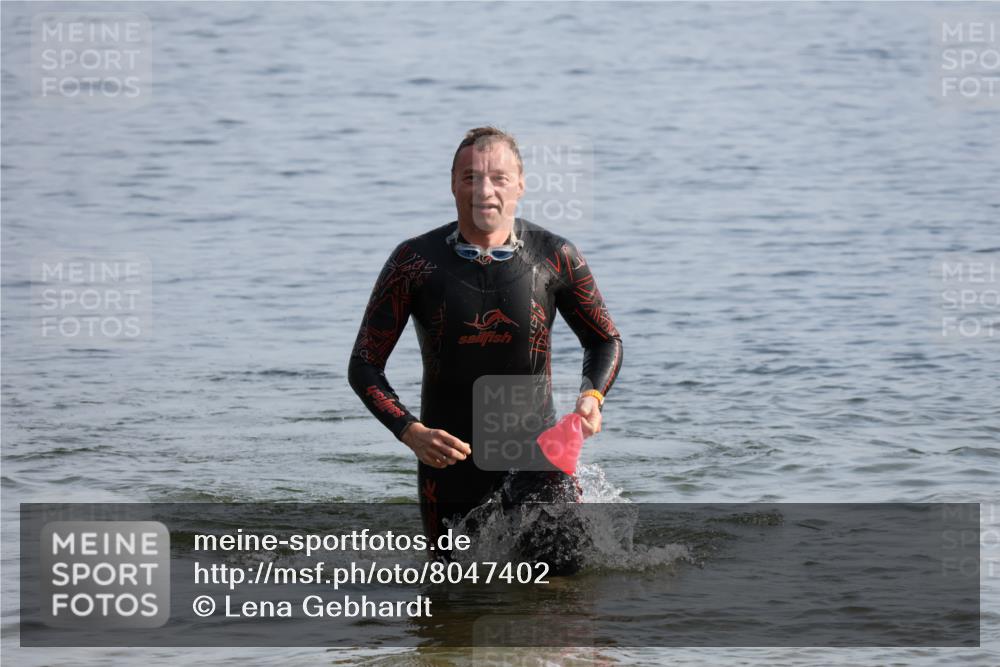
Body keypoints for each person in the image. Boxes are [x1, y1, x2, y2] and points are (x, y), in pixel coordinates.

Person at [348, 127, 622, 565]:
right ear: (453, 184)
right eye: (470, 177)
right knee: (451, 602)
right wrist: (411, 431)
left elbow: (604, 339)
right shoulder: (414, 263)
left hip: (539, 458)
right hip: (448, 465)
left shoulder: (555, 256)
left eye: (498, 177)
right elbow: (364, 365)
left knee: (564, 597)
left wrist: (592, 397)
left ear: (520, 184)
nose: (484, 190)